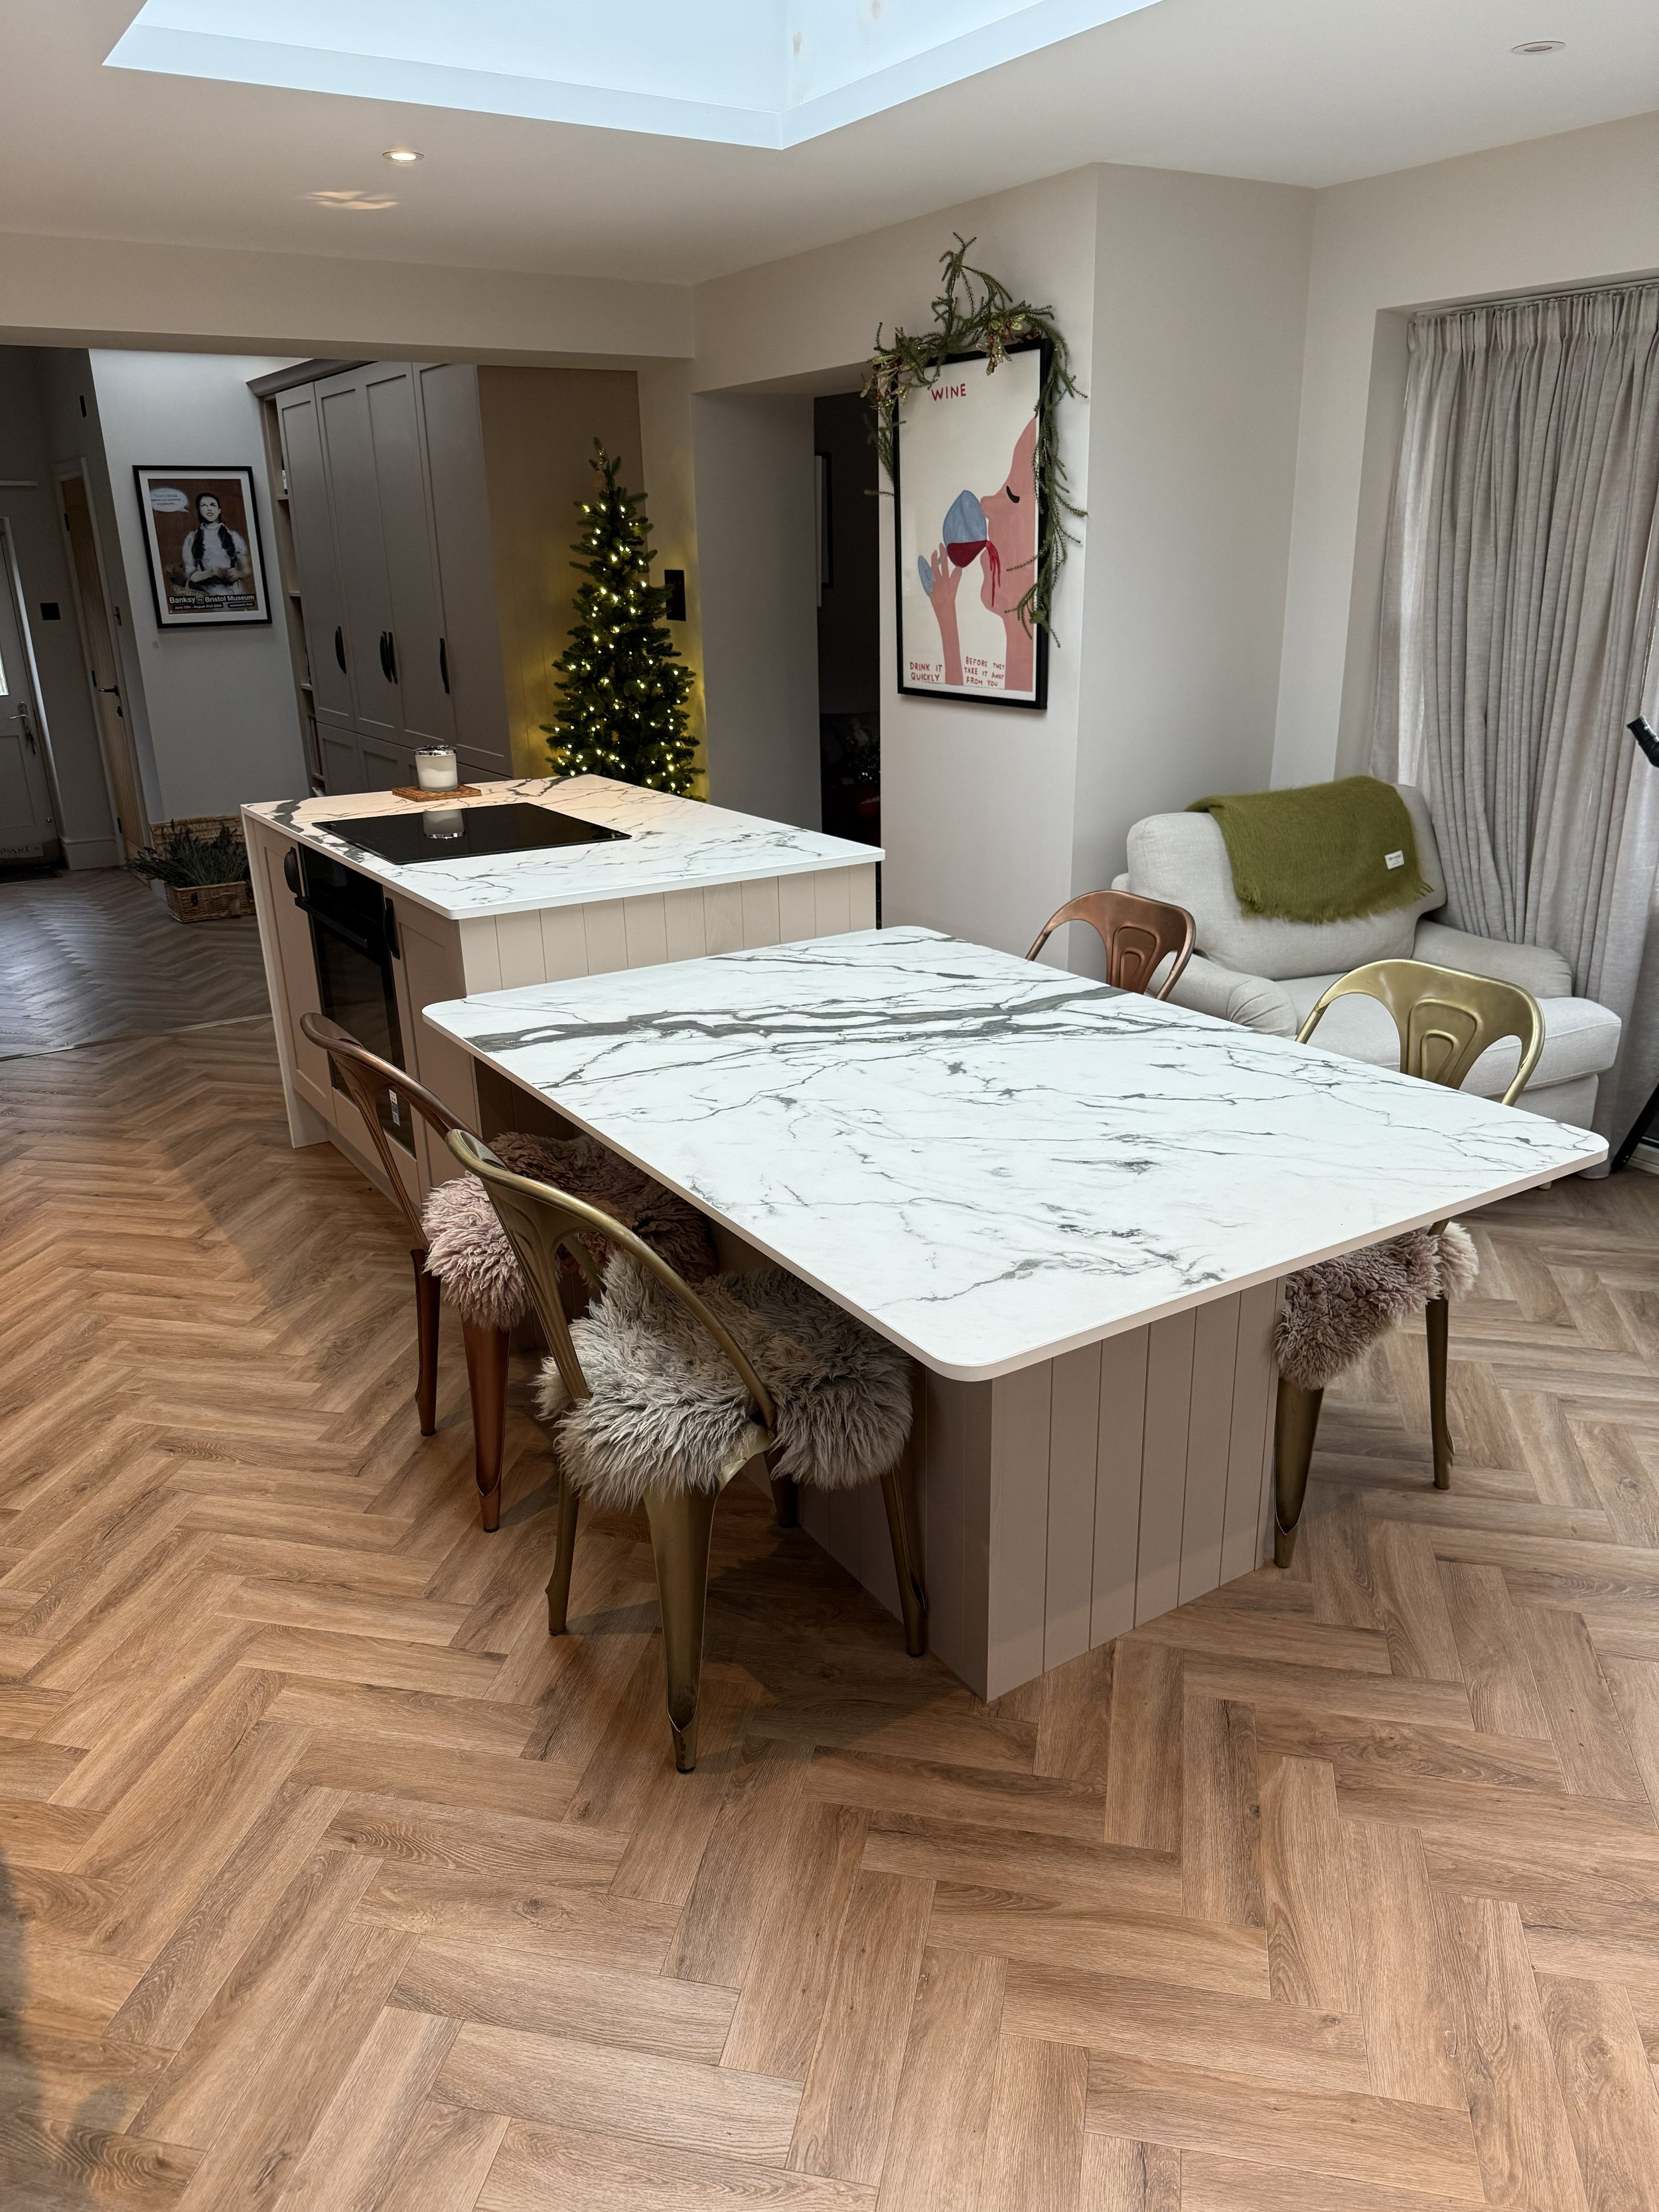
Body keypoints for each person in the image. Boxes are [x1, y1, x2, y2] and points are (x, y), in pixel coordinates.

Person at [180, 492, 252, 599]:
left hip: (236, 595)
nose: (209, 509)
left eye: (212, 505)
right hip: (208, 597)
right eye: (204, 506)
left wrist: (237, 574)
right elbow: (190, 576)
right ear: (199, 511)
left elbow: (246, 570)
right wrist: (210, 573)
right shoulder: (192, 538)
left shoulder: (234, 536)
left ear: (219, 510)